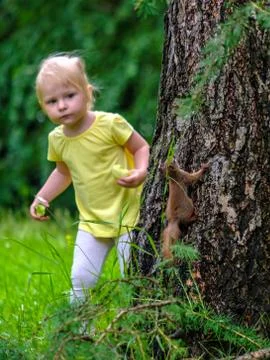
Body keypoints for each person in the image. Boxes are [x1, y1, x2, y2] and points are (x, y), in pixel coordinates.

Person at [30, 54, 149, 303]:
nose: (61, 106)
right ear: (43, 106)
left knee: (134, 274)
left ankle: (139, 322)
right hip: (91, 221)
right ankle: (80, 332)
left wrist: (140, 171)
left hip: (128, 215)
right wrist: (43, 196)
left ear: (87, 92)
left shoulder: (110, 124)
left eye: (69, 96)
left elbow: (140, 147)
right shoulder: (57, 139)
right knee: (81, 277)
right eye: (52, 101)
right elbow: (63, 172)